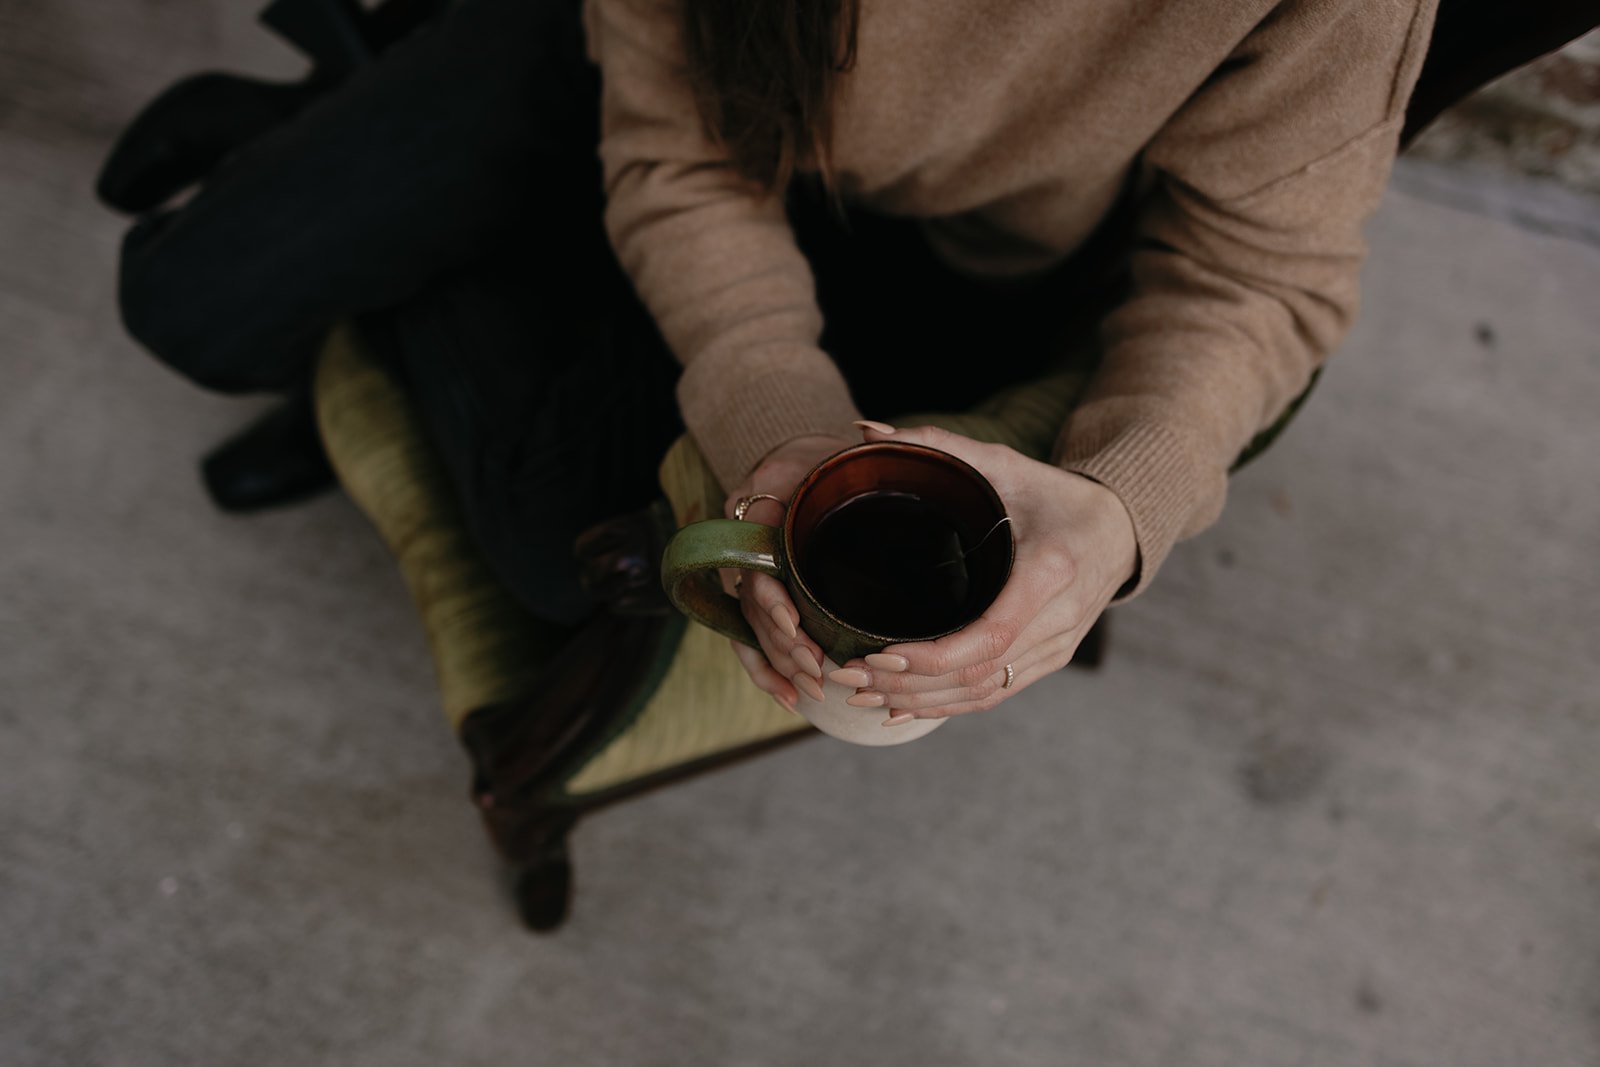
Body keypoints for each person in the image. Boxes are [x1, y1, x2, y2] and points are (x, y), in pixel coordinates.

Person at [105, 0, 1436, 728]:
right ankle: (367, 173)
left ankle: (361, 156)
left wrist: (1117, 507)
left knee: (546, 556)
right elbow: (676, 161)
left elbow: (1259, 271)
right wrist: (768, 396)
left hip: (946, 247)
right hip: (650, 72)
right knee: (192, 306)